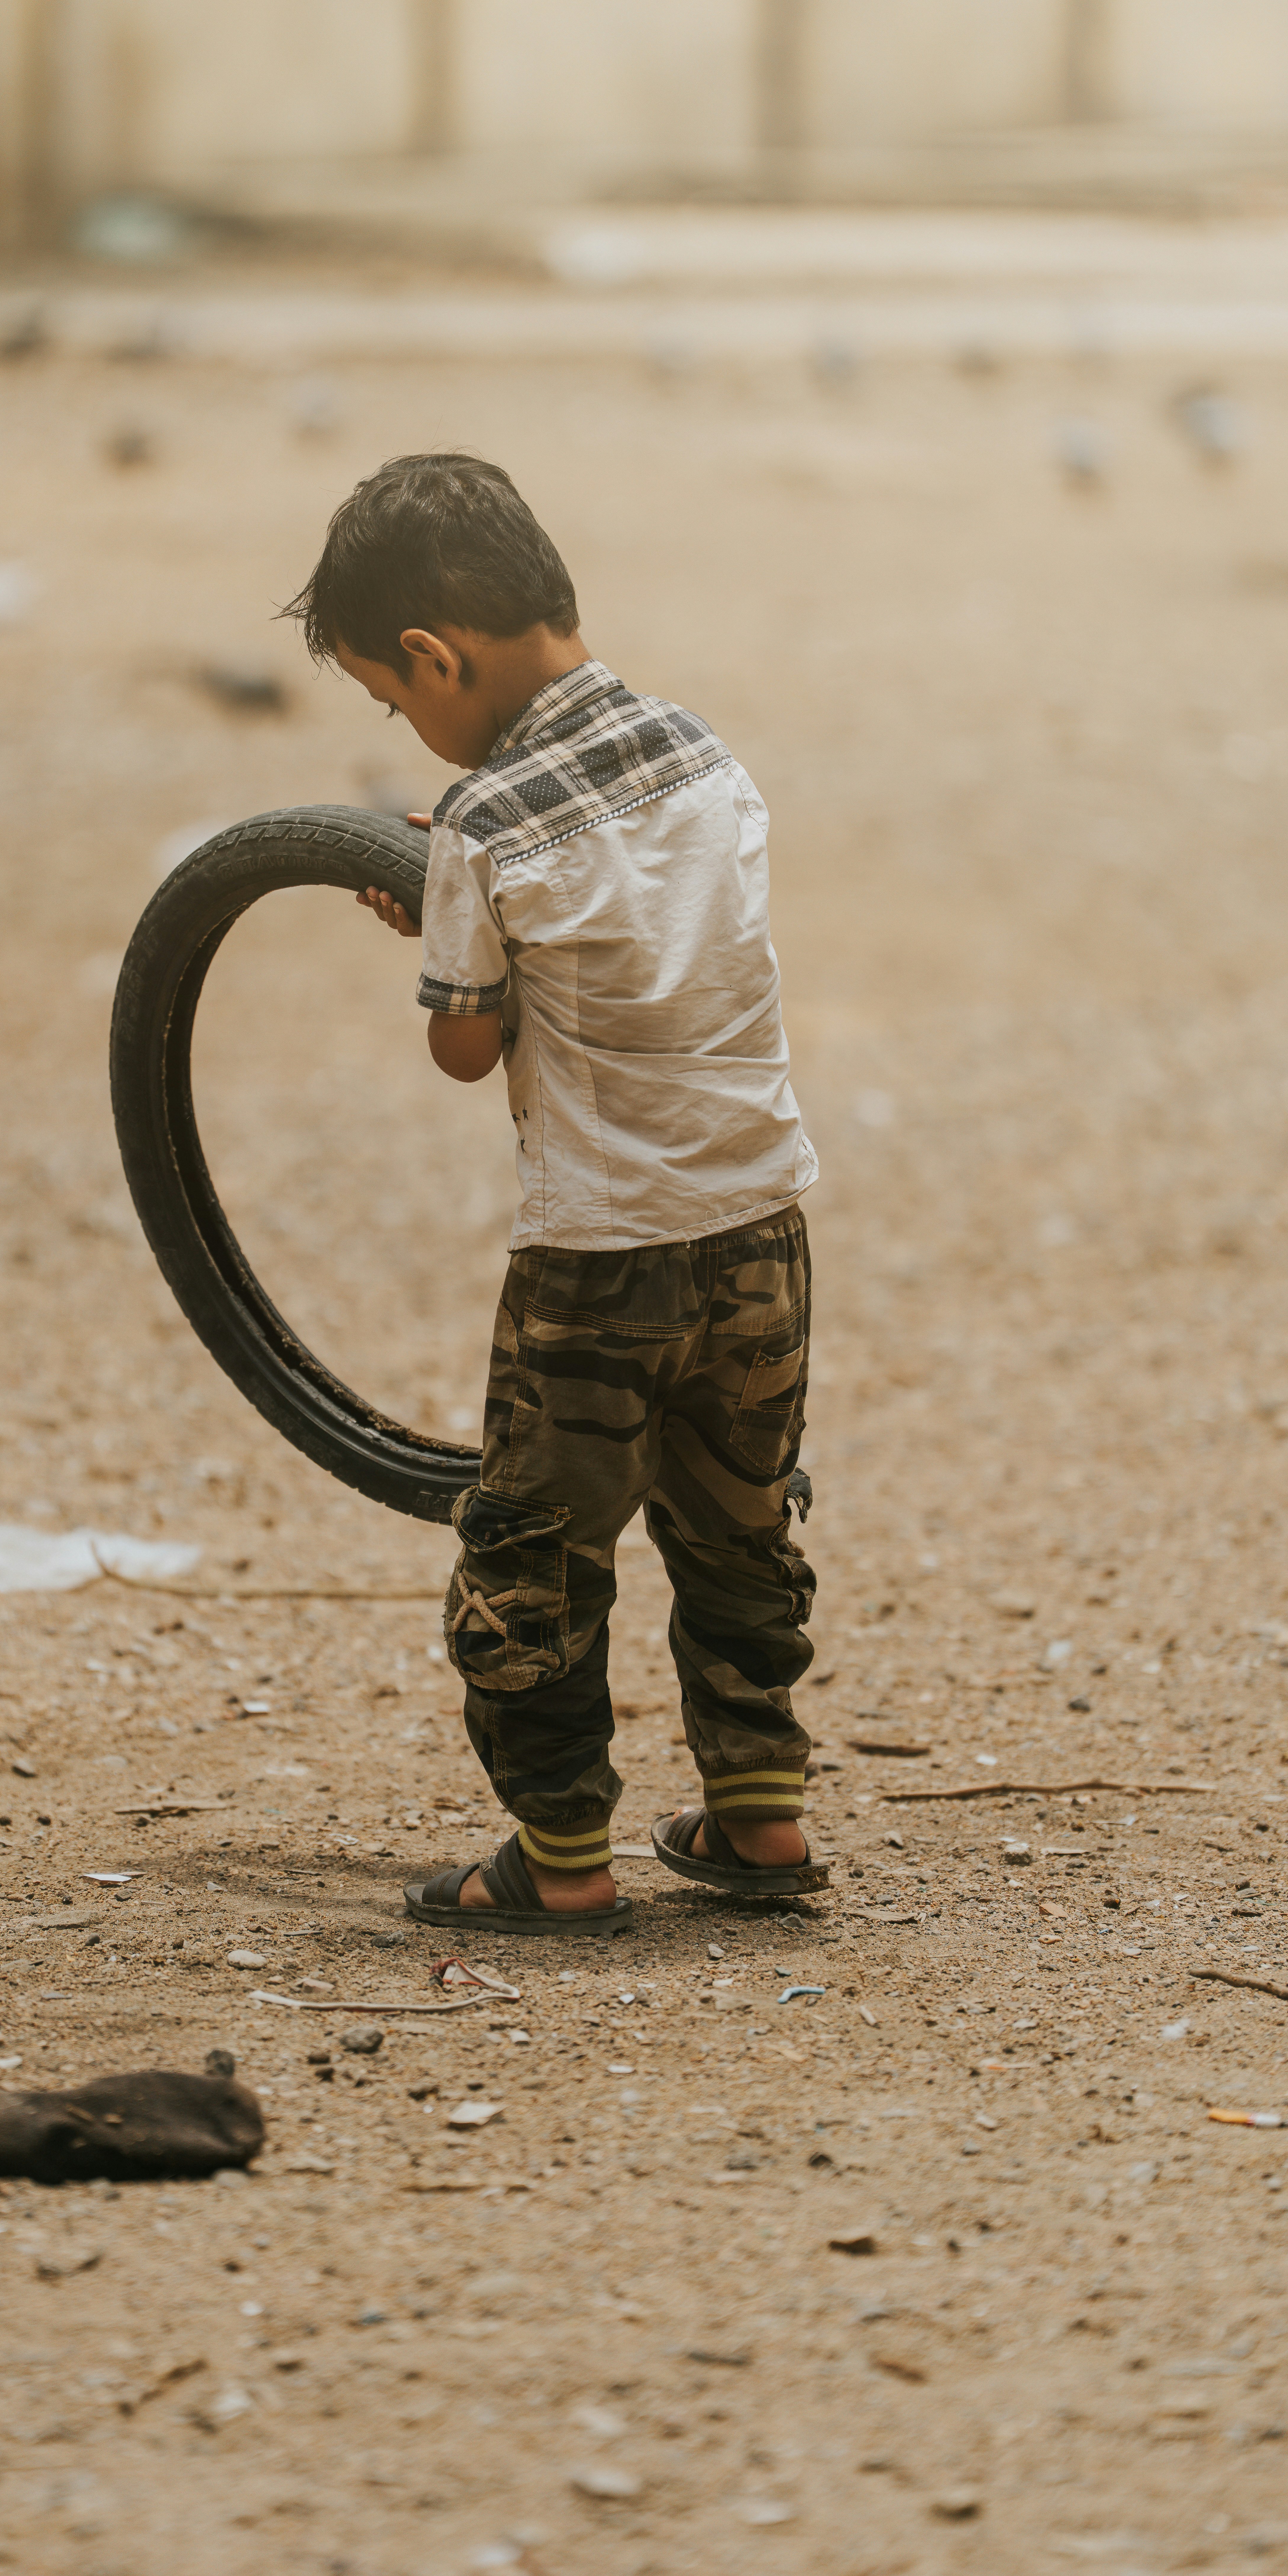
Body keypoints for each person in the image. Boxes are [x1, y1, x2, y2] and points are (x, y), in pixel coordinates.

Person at [282, 453, 826, 1937]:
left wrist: (441, 912)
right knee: (738, 1524)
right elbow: (649, 961)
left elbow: (469, 1047)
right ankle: (761, 1820)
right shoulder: (709, 758)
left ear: (436, 658)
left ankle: (564, 1858)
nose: (410, 725)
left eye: (399, 704)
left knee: (536, 1550)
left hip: (601, 1254)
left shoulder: (483, 821)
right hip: (763, 1224)